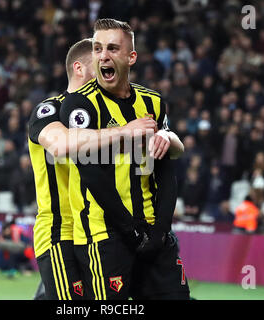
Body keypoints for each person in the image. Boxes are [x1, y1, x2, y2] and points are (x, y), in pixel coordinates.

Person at [28, 39, 169, 300]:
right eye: (99, 61)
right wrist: (124, 131)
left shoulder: (112, 112)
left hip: (102, 229)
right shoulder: (50, 110)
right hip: (61, 230)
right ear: (79, 68)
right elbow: (60, 144)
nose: (108, 65)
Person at [60, 19, 189, 300]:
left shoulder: (153, 102)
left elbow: (167, 171)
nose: (103, 56)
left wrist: (159, 231)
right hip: (104, 236)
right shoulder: (80, 104)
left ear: (131, 57)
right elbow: (92, 173)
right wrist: (131, 229)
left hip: (153, 231)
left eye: (112, 48)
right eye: (97, 49)